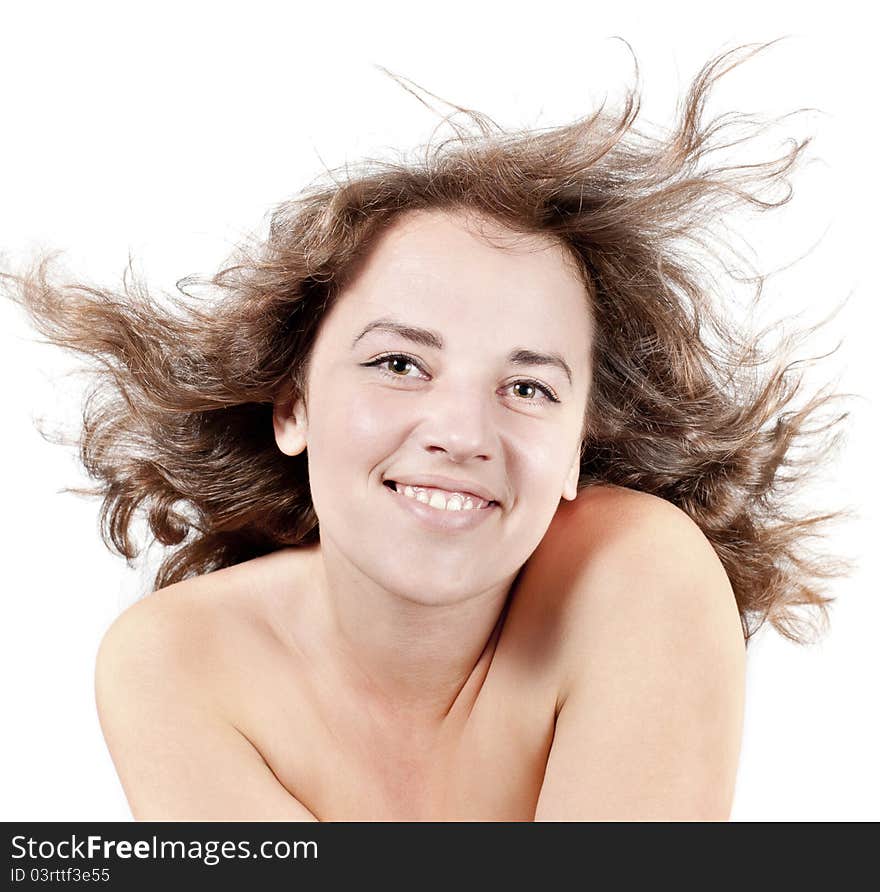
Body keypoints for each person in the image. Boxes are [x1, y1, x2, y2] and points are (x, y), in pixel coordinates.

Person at [2, 41, 852, 821]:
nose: (460, 432)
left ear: (576, 453)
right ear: (291, 405)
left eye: (527, 386)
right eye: (399, 365)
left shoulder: (637, 571)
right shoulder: (174, 662)